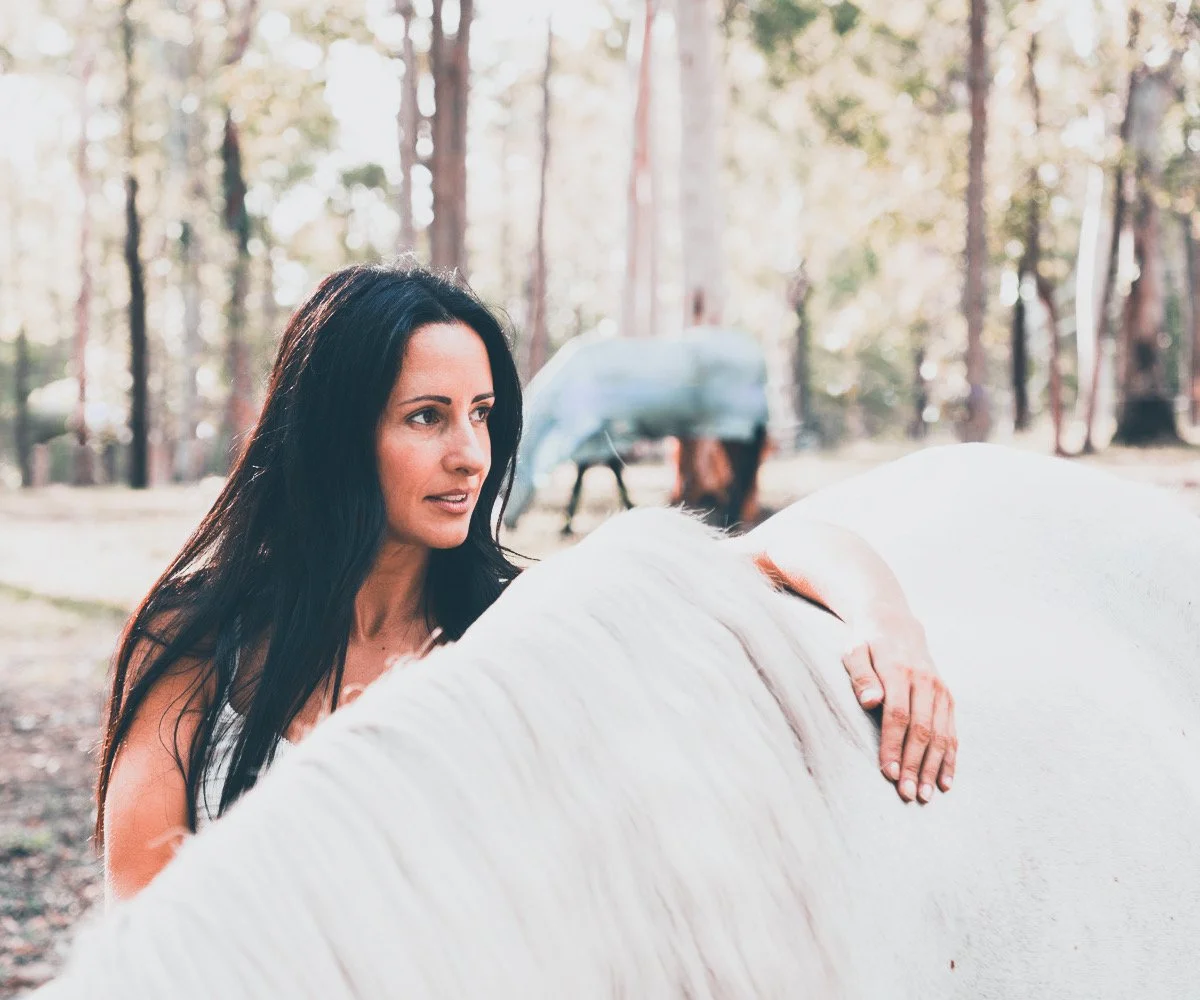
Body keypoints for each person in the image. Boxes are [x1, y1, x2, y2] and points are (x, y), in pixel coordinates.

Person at [96, 263, 955, 902]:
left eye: (482, 415)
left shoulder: (515, 630)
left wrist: (885, 619)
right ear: (334, 434)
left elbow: (760, 551)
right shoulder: (198, 640)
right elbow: (147, 933)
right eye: (425, 417)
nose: (470, 453)